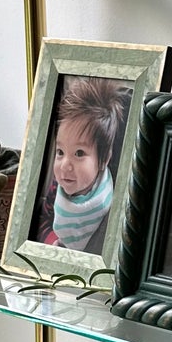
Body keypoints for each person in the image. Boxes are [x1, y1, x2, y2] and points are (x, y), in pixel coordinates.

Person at [35, 75, 131, 254]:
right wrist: (52, 241)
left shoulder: (112, 195)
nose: (65, 165)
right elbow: (42, 219)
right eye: (60, 152)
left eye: (79, 153)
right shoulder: (57, 187)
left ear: (103, 160)